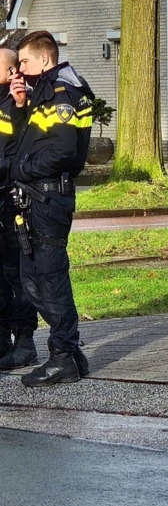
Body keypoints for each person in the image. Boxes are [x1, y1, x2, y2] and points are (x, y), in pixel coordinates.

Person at [7, 31, 92, 386]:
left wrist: (21, 169)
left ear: (44, 58)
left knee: (47, 278)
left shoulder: (62, 91)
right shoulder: (47, 88)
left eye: (23, 61)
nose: (19, 69)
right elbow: (34, 136)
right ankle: (69, 353)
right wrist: (22, 104)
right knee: (33, 279)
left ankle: (62, 357)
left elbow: (63, 150)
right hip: (38, 198)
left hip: (47, 198)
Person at [0, 49, 38, 370]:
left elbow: (22, 146)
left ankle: (24, 341)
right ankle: (1, 340)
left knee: (19, 273)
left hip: (13, 201)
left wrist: (21, 104)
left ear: (12, 70)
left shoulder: (21, 101)